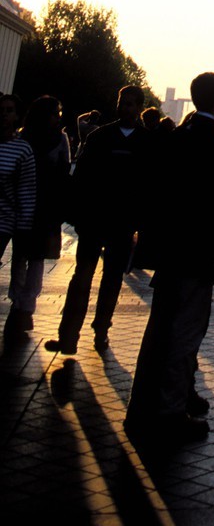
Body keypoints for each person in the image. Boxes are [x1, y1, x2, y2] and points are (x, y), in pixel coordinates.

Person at [125, 72, 214, 448]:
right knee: (185, 334)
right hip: (197, 255)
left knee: (159, 331)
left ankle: (141, 407)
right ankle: (170, 413)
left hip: (171, 251)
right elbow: (213, 207)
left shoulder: (179, 136)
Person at [46, 83, 148, 355]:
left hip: (122, 223)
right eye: (122, 102)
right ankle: (69, 335)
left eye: (130, 104)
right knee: (82, 276)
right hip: (96, 219)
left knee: (111, 279)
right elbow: (82, 179)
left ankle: (100, 329)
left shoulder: (145, 143)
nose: (124, 108)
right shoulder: (102, 137)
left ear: (138, 108)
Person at [5, 95, 70, 341]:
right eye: (56, 113)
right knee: (28, 256)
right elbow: (63, 172)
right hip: (35, 205)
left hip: (39, 205)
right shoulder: (54, 140)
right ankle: (22, 305)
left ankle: (22, 305)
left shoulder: (27, 136)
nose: (58, 117)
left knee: (29, 257)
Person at [1, 95, 36, 326]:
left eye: (9, 110)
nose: (4, 115)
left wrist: (23, 227)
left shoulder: (22, 150)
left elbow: (26, 191)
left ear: (16, 116)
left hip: (3, 220)